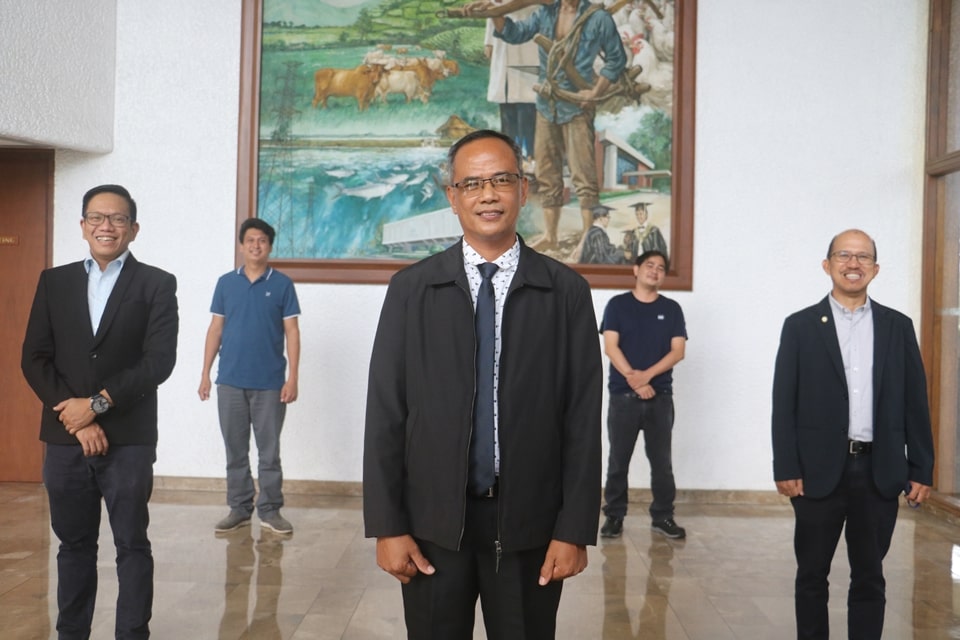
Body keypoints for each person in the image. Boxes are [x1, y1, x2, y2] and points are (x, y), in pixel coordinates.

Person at [363, 129, 602, 639]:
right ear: (452, 196)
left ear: (524, 188)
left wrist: (574, 530)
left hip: (531, 529)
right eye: (472, 184)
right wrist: (388, 525)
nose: (487, 194)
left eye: (501, 180)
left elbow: (582, 418)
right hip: (430, 528)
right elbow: (386, 413)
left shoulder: (565, 293)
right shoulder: (412, 290)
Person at [21, 184, 179, 639]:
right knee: (73, 546)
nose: (106, 226)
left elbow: (158, 361)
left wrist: (96, 406)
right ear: (83, 225)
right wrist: (75, 420)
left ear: (133, 228)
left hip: (127, 439)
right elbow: (34, 357)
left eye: (117, 218)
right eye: (96, 217)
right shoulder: (55, 281)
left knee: (132, 545)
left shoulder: (156, 283)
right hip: (65, 441)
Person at [772, 229, 935, 639]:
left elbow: (916, 402)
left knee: (870, 576)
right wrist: (785, 464)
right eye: (844, 255)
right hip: (816, 471)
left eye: (863, 258)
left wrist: (922, 467)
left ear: (875, 270)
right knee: (811, 575)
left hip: (878, 471)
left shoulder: (898, 327)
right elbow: (783, 402)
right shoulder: (800, 326)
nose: (853, 264)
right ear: (827, 265)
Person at [488, 0, 627, 251]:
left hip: (577, 106)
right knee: (547, 173)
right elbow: (514, 33)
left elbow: (616, 59)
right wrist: (494, 13)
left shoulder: (598, 18)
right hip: (546, 104)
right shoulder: (545, 13)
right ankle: (550, 235)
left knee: (583, 173)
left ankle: (588, 237)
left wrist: (594, 92)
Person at [199, 218, 301, 535]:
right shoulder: (226, 283)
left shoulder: (282, 284)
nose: (256, 246)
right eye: (250, 240)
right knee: (235, 451)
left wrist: (293, 377)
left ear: (269, 247)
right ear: (242, 245)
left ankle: (270, 510)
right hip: (229, 381)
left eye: (262, 241)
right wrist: (205, 373)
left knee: (269, 453)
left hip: (270, 384)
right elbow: (216, 329)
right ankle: (239, 509)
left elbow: (292, 332)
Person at [599, 249, 687, 540]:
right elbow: (611, 347)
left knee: (662, 463)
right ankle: (614, 516)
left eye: (661, 267)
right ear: (636, 270)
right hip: (623, 400)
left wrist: (645, 377)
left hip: (660, 399)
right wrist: (635, 381)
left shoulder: (672, 309)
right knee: (617, 461)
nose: (655, 271)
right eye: (649, 265)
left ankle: (663, 517)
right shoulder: (617, 305)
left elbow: (678, 351)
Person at [483, 0, 539, 157]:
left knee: (527, 108)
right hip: (502, 41)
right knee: (507, 110)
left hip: (527, 42)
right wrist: (489, 41)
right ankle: (509, 157)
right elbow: (493, 6)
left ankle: (531, 157)